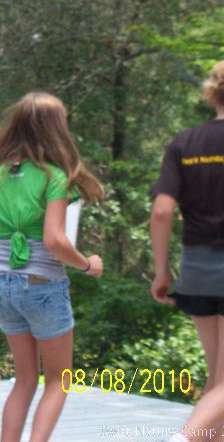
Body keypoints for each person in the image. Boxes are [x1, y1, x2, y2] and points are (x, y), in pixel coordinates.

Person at [0, 92, 104, 442]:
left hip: (3, 284)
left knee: (24, 380)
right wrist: (87, 264)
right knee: (60, 380)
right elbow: (54, 240)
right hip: (42, 284)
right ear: (55, 129)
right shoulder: (54, 178)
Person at [152, 61, 224, 442]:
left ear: (211, 94)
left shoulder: (184, 143)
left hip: (196, 271)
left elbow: (162, 211)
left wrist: (162, 271)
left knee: (218, 380)